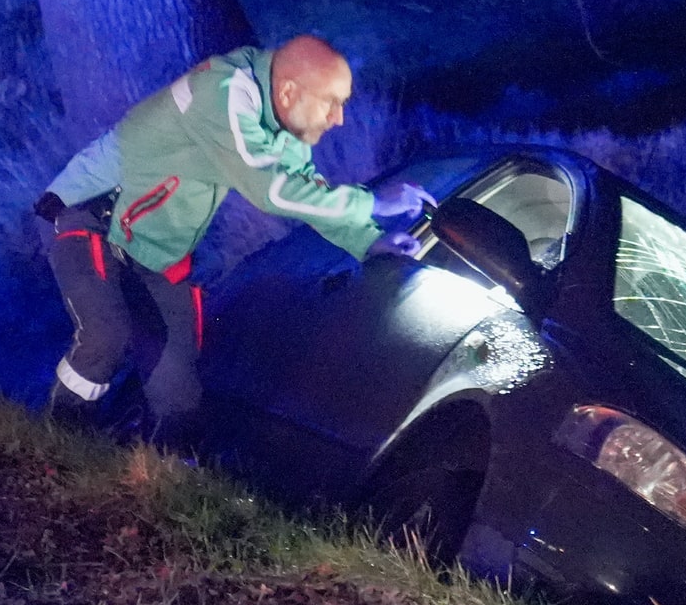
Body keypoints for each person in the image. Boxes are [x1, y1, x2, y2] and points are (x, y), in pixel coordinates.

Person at [33, 36, 432, 436]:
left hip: (155, 254)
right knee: (105, 335)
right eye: (331, 102)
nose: (338, 118)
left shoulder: (284, 123)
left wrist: (368, 241)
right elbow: (269, 189)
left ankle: (139, 466)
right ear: (288, 92)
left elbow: (302, 190)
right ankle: (57, 437)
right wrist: (373, 202)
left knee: (178, 397)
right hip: (92, 216)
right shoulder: (223, 91)